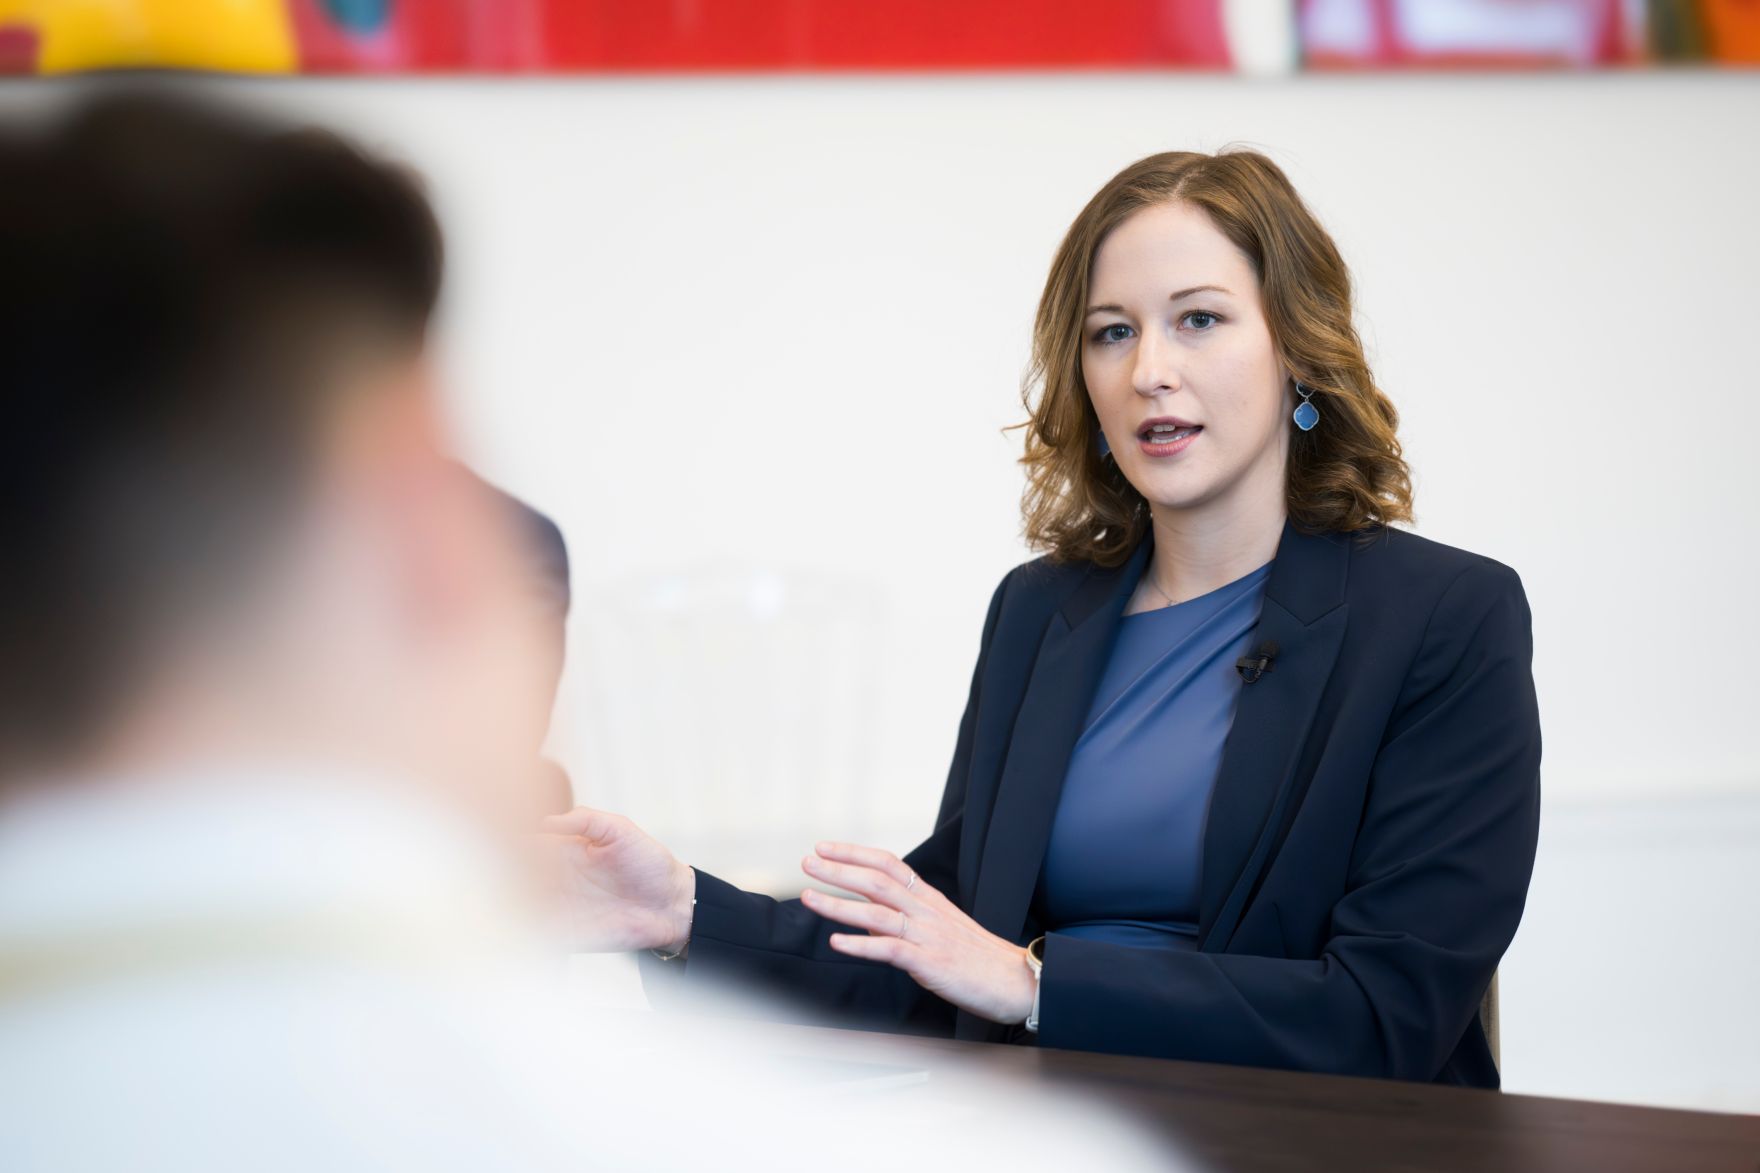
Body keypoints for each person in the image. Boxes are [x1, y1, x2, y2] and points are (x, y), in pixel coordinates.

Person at [550, 147, 1543, 1088]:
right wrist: (675, 908)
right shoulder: (1039, 613)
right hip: (1046, 1129)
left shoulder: (1444, 617)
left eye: (1197, 319)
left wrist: (1035, 986)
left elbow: (1383, 1017)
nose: (1148, 367)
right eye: (1111, 331)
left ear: (1296, 350)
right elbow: (933, 951)